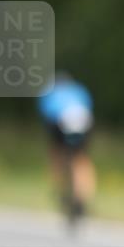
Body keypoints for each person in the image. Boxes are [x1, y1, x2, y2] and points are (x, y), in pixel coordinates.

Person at [37, 72, 96, 227]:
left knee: (56, 155)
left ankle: (61, 190)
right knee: (80, 159)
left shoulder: (49, 93)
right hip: (83, 120)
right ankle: (82, 197)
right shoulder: (79, 89)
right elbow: (89, 106)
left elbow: (46, 116)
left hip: (60, 122)